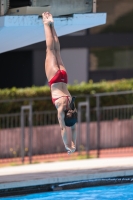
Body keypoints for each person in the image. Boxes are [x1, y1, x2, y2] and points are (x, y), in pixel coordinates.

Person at [42, 12, 77, 154]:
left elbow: (73, 128)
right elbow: (63, 128)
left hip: (63, 77)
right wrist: (66, 145)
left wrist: (74, 144)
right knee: (50, 50)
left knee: (57, 51)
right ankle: (46, 23)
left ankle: (52, 24)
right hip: (54, 79)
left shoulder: (72, 106)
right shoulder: (61, 109)